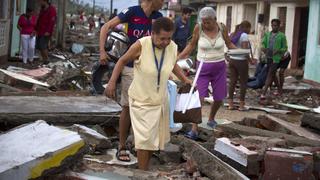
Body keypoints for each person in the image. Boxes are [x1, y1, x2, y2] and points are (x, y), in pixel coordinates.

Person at [105, 17, 192, 170]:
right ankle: (143, 173)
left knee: (153, 140)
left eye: (168, 38)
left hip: (160, 100)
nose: (165, 42)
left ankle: (143, 169)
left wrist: (185, 79)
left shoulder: (172, 47)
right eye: (162, 38)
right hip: (141, 100)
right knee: (144, 141)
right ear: (152, 34)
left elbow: (172, 65)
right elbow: (121, 61)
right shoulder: (141, 45)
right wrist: (112, 82)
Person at [99, 0, 164, 162]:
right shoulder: (132, 12)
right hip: (130, 67)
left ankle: (140, 145)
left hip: (149, 70)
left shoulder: (159, 17)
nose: (164, 2)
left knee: (145, 108)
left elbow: (165, 42)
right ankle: (121, 145)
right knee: (127, 107)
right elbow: (105, 27)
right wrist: (102, 51)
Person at [177, 7, 236, 140]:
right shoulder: (199, 28)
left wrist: (240, 52)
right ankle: (194, 129)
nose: (205, 24)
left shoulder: (222, 28)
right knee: (199, 98)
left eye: (208, 22)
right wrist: (179, 57)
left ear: (215, 20)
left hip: (219, 67)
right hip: (202, 68)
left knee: (219, 97)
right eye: (203, 21)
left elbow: (229, 43)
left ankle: (211, 118)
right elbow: (191, 45)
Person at [227, 21, 256, 111]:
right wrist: (250, 60)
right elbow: (244, 51)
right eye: (249, 28)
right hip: (241, 61)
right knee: (243, 83)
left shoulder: (233, 33)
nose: (249, 30)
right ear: (246, 27)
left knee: (232, 82)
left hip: (232, 60)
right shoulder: (244, 35)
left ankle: (230, 104)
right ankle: (241, 105)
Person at [260, 19, 287, 100]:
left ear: (279, 26)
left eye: (275, 25)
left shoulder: (282, 36)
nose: (273, 27)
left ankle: (263, 93)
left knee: (270, 73)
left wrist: (278, 50)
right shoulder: (268, 35)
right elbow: (263, 43)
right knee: (273, 74)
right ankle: (279, 90)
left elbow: (285, 47)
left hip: (276, 58)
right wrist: (263, 48)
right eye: (272, 25)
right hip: (269, 57)